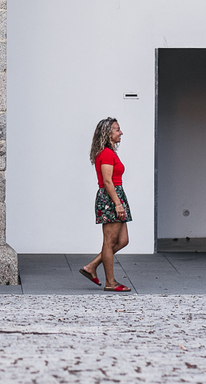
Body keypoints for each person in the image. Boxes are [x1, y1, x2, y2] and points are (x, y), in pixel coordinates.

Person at [79, 117, 132, 292]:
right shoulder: (107, 154)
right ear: (108, 133)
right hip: (111, 198)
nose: (121, 132)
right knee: (109, 242)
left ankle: (92, 266)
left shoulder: (109, 152)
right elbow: (108, 182)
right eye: (117, 129)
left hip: (116, 196)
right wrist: (117, 204)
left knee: (123, 240)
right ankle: (110, 282)